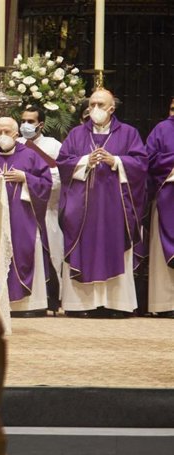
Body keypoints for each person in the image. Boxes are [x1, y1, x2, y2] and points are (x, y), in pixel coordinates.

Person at [56, 89, 148, 318]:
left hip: (115, 207)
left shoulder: (128, 133)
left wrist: (115, 161)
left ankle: (116, 304)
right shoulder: (76, 134)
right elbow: (63, 163)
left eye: (100, 104)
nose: (95, 109)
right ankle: (80, 305)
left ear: (111, 109)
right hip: (83, 209)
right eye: (92, 104)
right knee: (83, 247)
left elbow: (141, 164)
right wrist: (86, 161)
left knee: (114, 246)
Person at [0, 117, 54, 317]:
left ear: (16, 134)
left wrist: (26, 179)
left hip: (23, 217)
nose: (3, 136)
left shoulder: (30, 155)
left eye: (7, 131)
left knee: (25, 250)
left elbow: (47, 183)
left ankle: (29, 306)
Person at [17, 105, 63, 309]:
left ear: (41, 124)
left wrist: (27, 179)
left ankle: (52, 299)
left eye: (30, 121)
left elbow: (58, 177)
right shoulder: (16, 143)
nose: (25, 125)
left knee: (52, 255)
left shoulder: (53, 146)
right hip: (21, 210)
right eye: (23, 120)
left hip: (47, 210)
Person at [146, 98, 174, 317]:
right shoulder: (161, 129)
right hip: (167, 194)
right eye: (172, 108)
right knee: (161, 256)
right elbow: (148, 160)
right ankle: (164, 305)